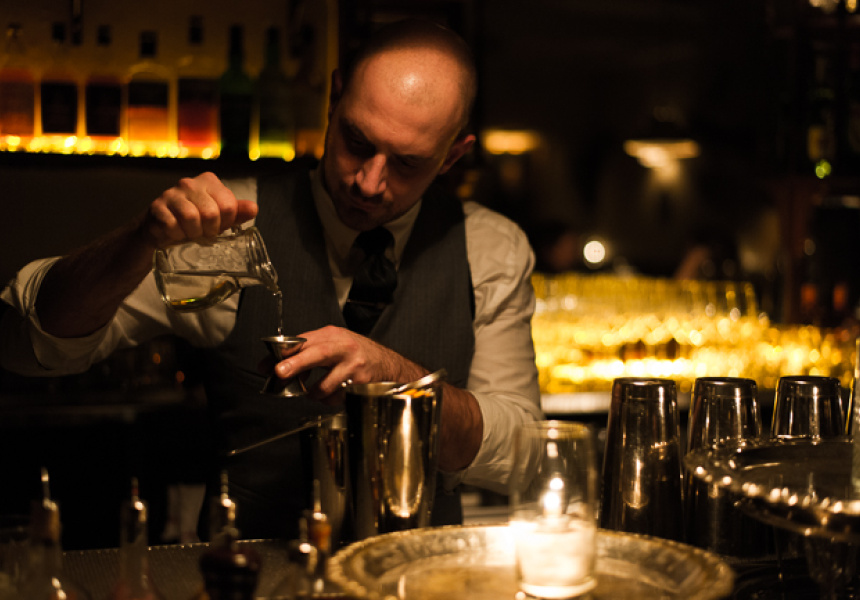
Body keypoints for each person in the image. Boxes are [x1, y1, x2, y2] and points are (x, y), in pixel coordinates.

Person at [0, 19, 542, 540]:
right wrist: (138, 240)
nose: (369, 182)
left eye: (406, 163)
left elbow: (522, 455)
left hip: (422, 577)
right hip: (248, 573)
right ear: (333, 99)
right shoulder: (231, 224)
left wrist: (401, 382)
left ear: (452, 156)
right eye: (357, 141)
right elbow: (28, 346)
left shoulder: (489, 247)